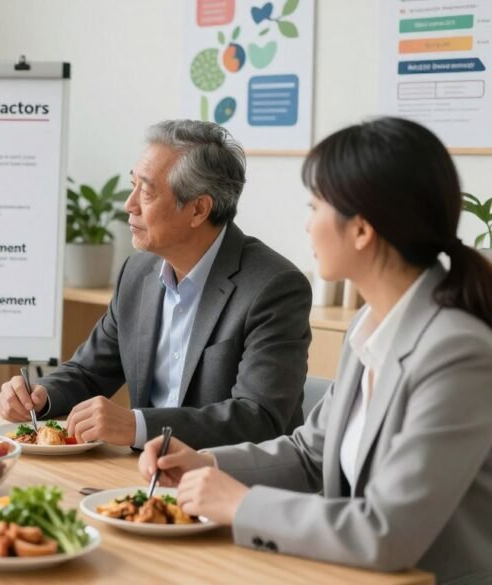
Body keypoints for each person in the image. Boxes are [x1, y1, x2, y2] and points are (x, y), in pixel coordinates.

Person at [139, 117, 492, 583]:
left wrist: (241, 504)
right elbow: (311, 454)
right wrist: (208, 464)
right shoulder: (368, 327)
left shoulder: (457, 354)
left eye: (315, 206)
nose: (307, 224)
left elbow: (388, 532)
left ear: (361, 230)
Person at [0, 119, 312, 448]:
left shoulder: (273, 287)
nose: (128, 205)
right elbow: (89, 371)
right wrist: (40, 396)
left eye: (146, 191)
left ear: (198, 209)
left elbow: (257, 418)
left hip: (227, 482)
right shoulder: (137, 272)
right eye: (132, 185)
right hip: (142, 475)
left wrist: (137, 425)